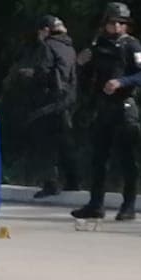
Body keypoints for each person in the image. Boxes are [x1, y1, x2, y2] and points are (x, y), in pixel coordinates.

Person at [71, 2, 141, 221]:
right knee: (98, 158)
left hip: (124, 106)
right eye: (112, 22)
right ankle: (96, 204)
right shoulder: (99, 45)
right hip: (103, 107)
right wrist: (81, 63)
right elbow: (87, 77)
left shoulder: (132, 46)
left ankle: (129, 205)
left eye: (121, 23)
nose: (116, 26)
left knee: (127, 158)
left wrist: (121, 82)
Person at [21, 14, 80, 197]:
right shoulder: (69, 47)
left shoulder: (48, 46)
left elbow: (43, 73)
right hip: (67, 100)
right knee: (64, 142)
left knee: (45, 143)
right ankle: (73, 181)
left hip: (50, 100)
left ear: (46, 30)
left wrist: (29, 74)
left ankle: (51, 183)